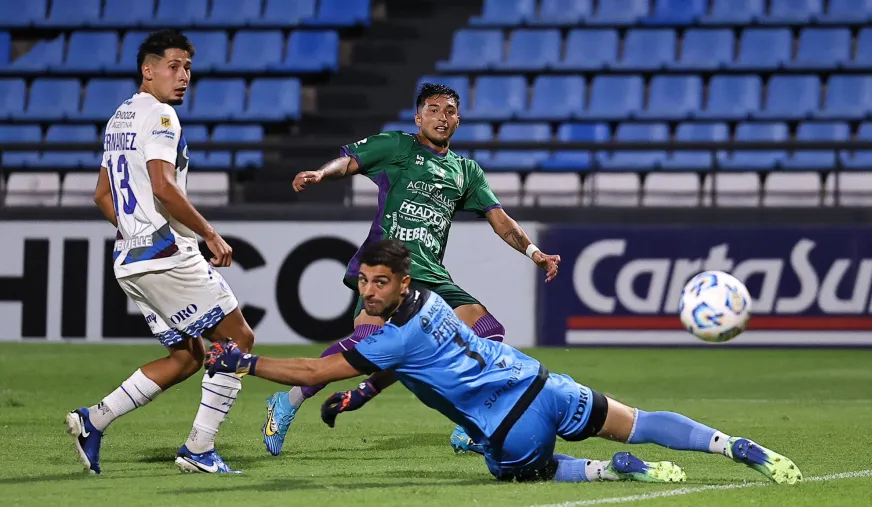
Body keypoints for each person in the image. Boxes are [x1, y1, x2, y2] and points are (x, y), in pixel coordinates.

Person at [212, 240, 802, 485]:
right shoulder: (432, 302)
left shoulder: (389, 339)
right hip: (543, 382)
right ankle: (734, 445)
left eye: (379, 283)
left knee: (519, 472)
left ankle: (611, 471)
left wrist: (244, 362)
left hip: (512, 424)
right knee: (639, 417)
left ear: (401, 283)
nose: (368, 292)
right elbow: (412, 362)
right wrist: (365, 392)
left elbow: (314, 373)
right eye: (363, 281)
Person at [262, 83, 561, 456]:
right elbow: (350, 161)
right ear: (419, 117)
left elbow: (499, 219)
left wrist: (535, 253)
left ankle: (468, 426)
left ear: (458, 120)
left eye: (450, 110)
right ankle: (287, 401)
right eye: (433, 110)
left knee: (486, 331)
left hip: (432, 275)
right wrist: (322, 175)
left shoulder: (466, 171)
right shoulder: (398, 147)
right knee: (363, 350)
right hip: (387, 266)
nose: (442, 117)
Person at [65, 30, 253, 475]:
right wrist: (209, 233)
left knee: (187, 357)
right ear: (147, 70)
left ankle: (94, 420)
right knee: (238, 340)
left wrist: (133, 232)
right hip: (165, 255)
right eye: (173, 66)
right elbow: (165, 187)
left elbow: (101, 195)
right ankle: (199, 449)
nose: (183, 75)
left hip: (129, 259)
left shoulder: (120, 117)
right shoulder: (163, 116)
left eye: (188, 67)